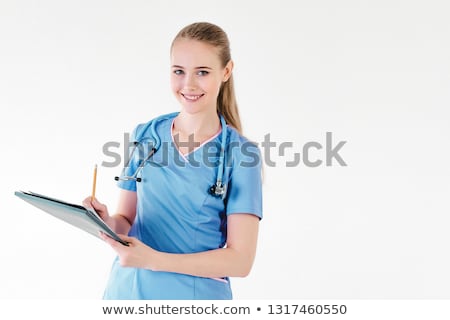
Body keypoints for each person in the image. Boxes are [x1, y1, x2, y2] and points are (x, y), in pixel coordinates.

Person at [83, 22, 263, 300]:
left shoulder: (241, 154)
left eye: (202, 72)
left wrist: (154, 260)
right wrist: (104, 221)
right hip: (128, 293)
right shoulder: (146, 134)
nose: (188, 84)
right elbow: (125, 220)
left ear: (226, 72)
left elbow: (240, 260)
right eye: (179, 71)